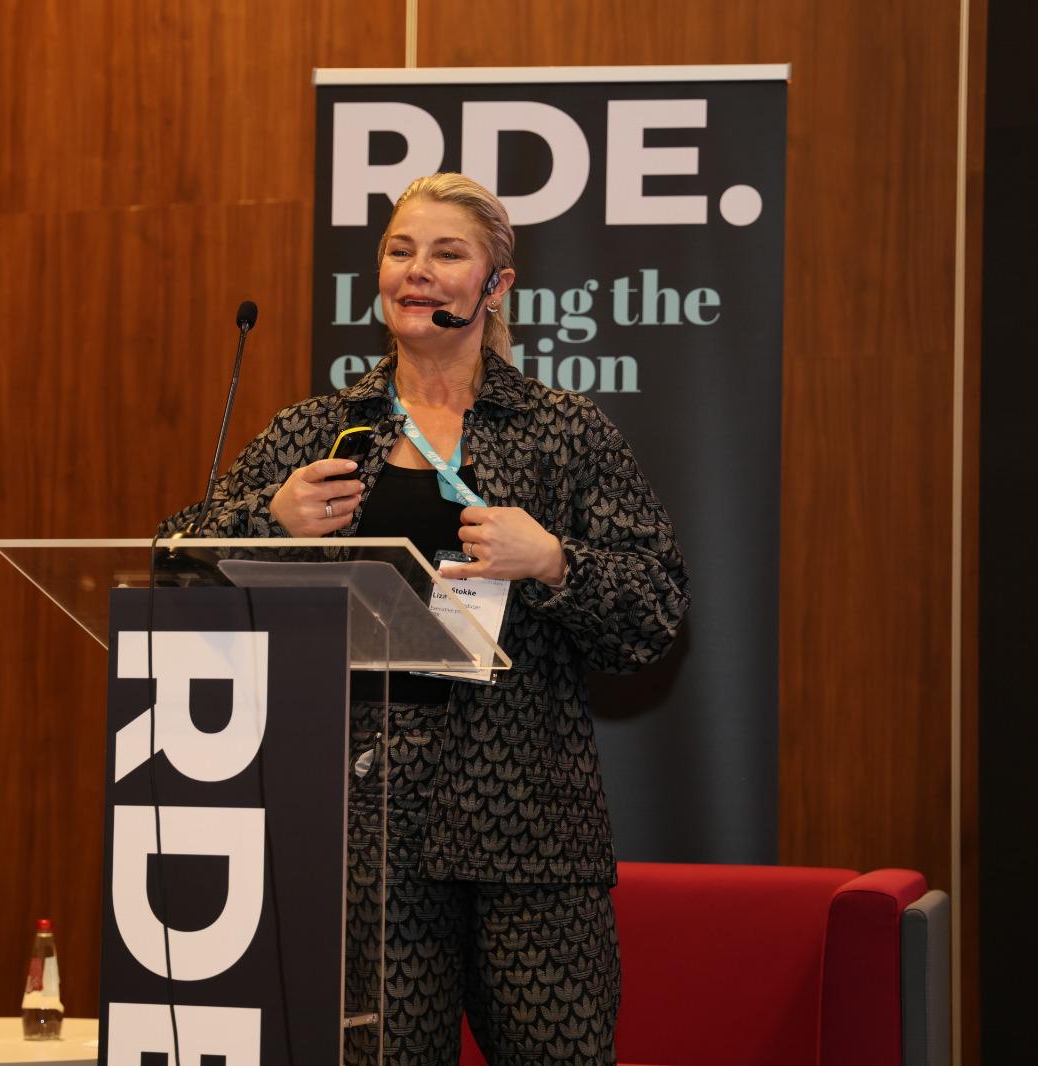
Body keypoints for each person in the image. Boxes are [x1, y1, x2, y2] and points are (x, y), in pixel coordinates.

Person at [161, 173, 689, 1065]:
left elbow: (656, 612)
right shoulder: (319, 432)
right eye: (400, 251)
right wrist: (268, 521)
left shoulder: (562, 433)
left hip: (527, 832)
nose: (418, 270)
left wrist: (552, 561)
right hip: (362, 840)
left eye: (448, 253)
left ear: (497, 285)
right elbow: (169, 571)